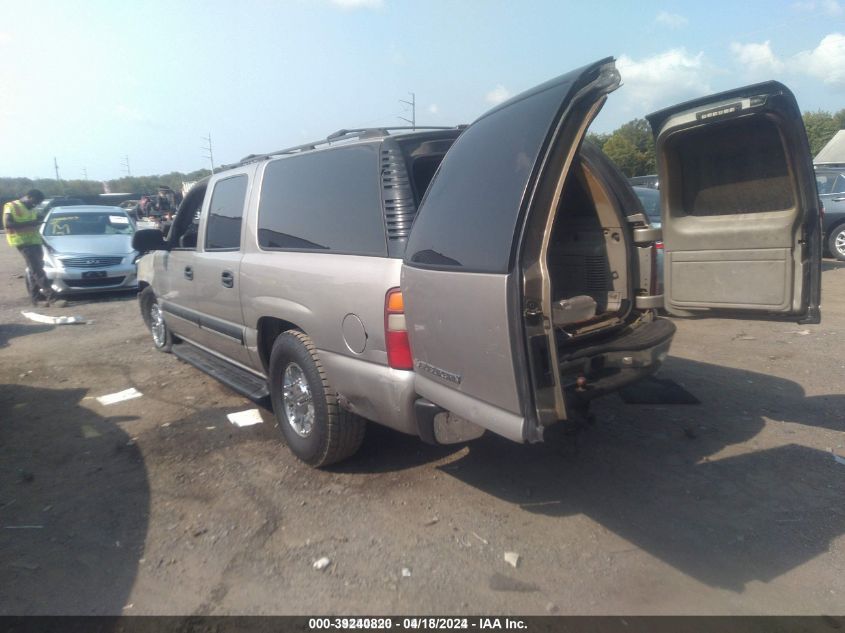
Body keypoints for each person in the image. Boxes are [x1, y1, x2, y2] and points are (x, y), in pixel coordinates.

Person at [3, 189, 55, 305]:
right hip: (23, 242)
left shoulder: (31, 209)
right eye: (35, 201)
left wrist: (46, 244)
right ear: (29, 197)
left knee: (34, 270)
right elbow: (8, 224)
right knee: (37, 269)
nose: (36, 204)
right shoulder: (11, 206)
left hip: (35, 242)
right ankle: (51, 296)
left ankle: (35, 298)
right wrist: (30, 223)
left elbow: (35, 230)